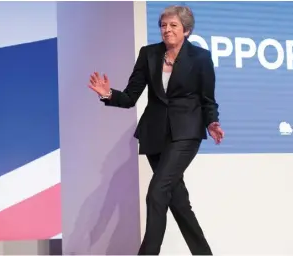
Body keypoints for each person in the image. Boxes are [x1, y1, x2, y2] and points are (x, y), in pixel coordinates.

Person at [88, 5, 224, 255]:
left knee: (156, 193)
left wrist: (211, 122)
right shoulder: (149, 54)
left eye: (173, 25)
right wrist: (108, 94)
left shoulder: (201, 58)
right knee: (178, 201)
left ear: (186, 30)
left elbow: (208, 99)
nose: (167, 30)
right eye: (163, 25)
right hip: (154, 135)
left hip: (186, 134)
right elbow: (130, 97)